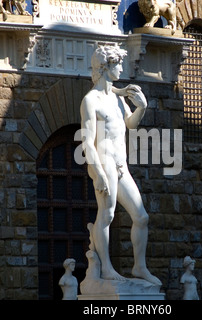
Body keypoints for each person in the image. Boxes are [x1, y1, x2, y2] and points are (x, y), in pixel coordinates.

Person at [79, 45, 161, 286]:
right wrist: (98, 174)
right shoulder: (90, 101)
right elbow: (87, 141)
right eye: (118, 64)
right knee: (107, 215)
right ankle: (106, 269)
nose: (123, 68)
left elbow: (130, 124)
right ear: (105, 67)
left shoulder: (116, 97)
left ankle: (139, 267)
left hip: (121, 166)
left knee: (142, 216)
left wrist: (142, 108)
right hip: (104, 165)